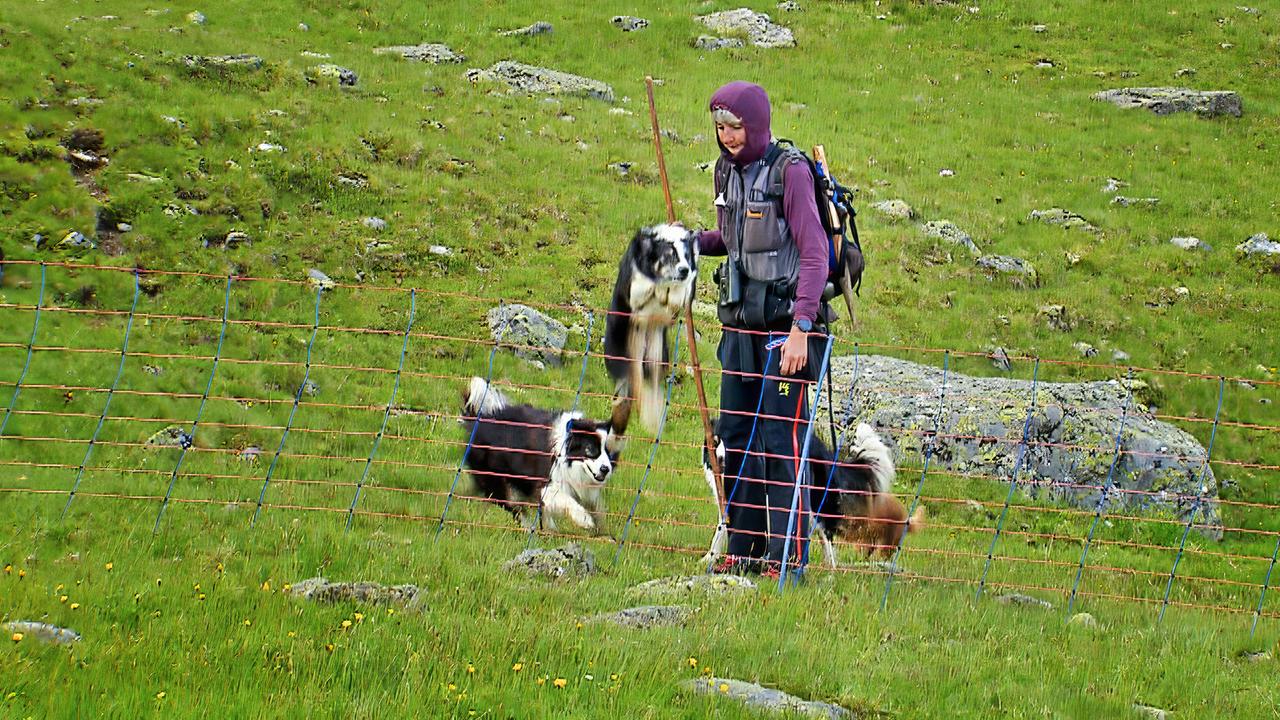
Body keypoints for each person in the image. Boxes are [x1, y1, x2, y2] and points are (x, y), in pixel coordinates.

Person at [695, 81, 830, 578]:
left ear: (756, 123)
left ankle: (787, 559)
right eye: (720, 127)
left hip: (784, 330)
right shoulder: (724, 174)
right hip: (739, 329)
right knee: (735, 437)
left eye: (735, 126)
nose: (728, 136)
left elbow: (814, 252)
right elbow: (732, 241)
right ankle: (744, 550)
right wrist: (690, 242)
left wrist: (801, 328)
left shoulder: (788, 173)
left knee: (780, 440)